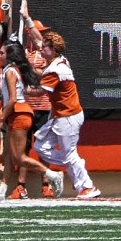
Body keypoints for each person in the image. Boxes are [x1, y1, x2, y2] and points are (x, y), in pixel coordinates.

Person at [28, 27, 100, 199]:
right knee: (40, 146)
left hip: (68, 116)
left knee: (69, 155)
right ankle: (75, 164)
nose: (40, 48)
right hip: (60, 116)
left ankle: (88, 186)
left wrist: (21, 90)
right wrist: (27, 19)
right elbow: (39, 40)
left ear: (53, 50)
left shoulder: (55, 70)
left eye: (45, 47)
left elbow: (40, 92)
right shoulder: (59, 60)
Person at [0, 42, 46, 201]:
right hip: (17, 114)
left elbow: (13, 99)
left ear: (10, 55)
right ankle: (2, 189)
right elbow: (8, 94)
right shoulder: (13, 71)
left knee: (18, 157)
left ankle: (51, 174)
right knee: (8, 155)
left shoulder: (10, 72)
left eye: (2, 53)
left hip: (19, 114)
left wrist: (0, 120)